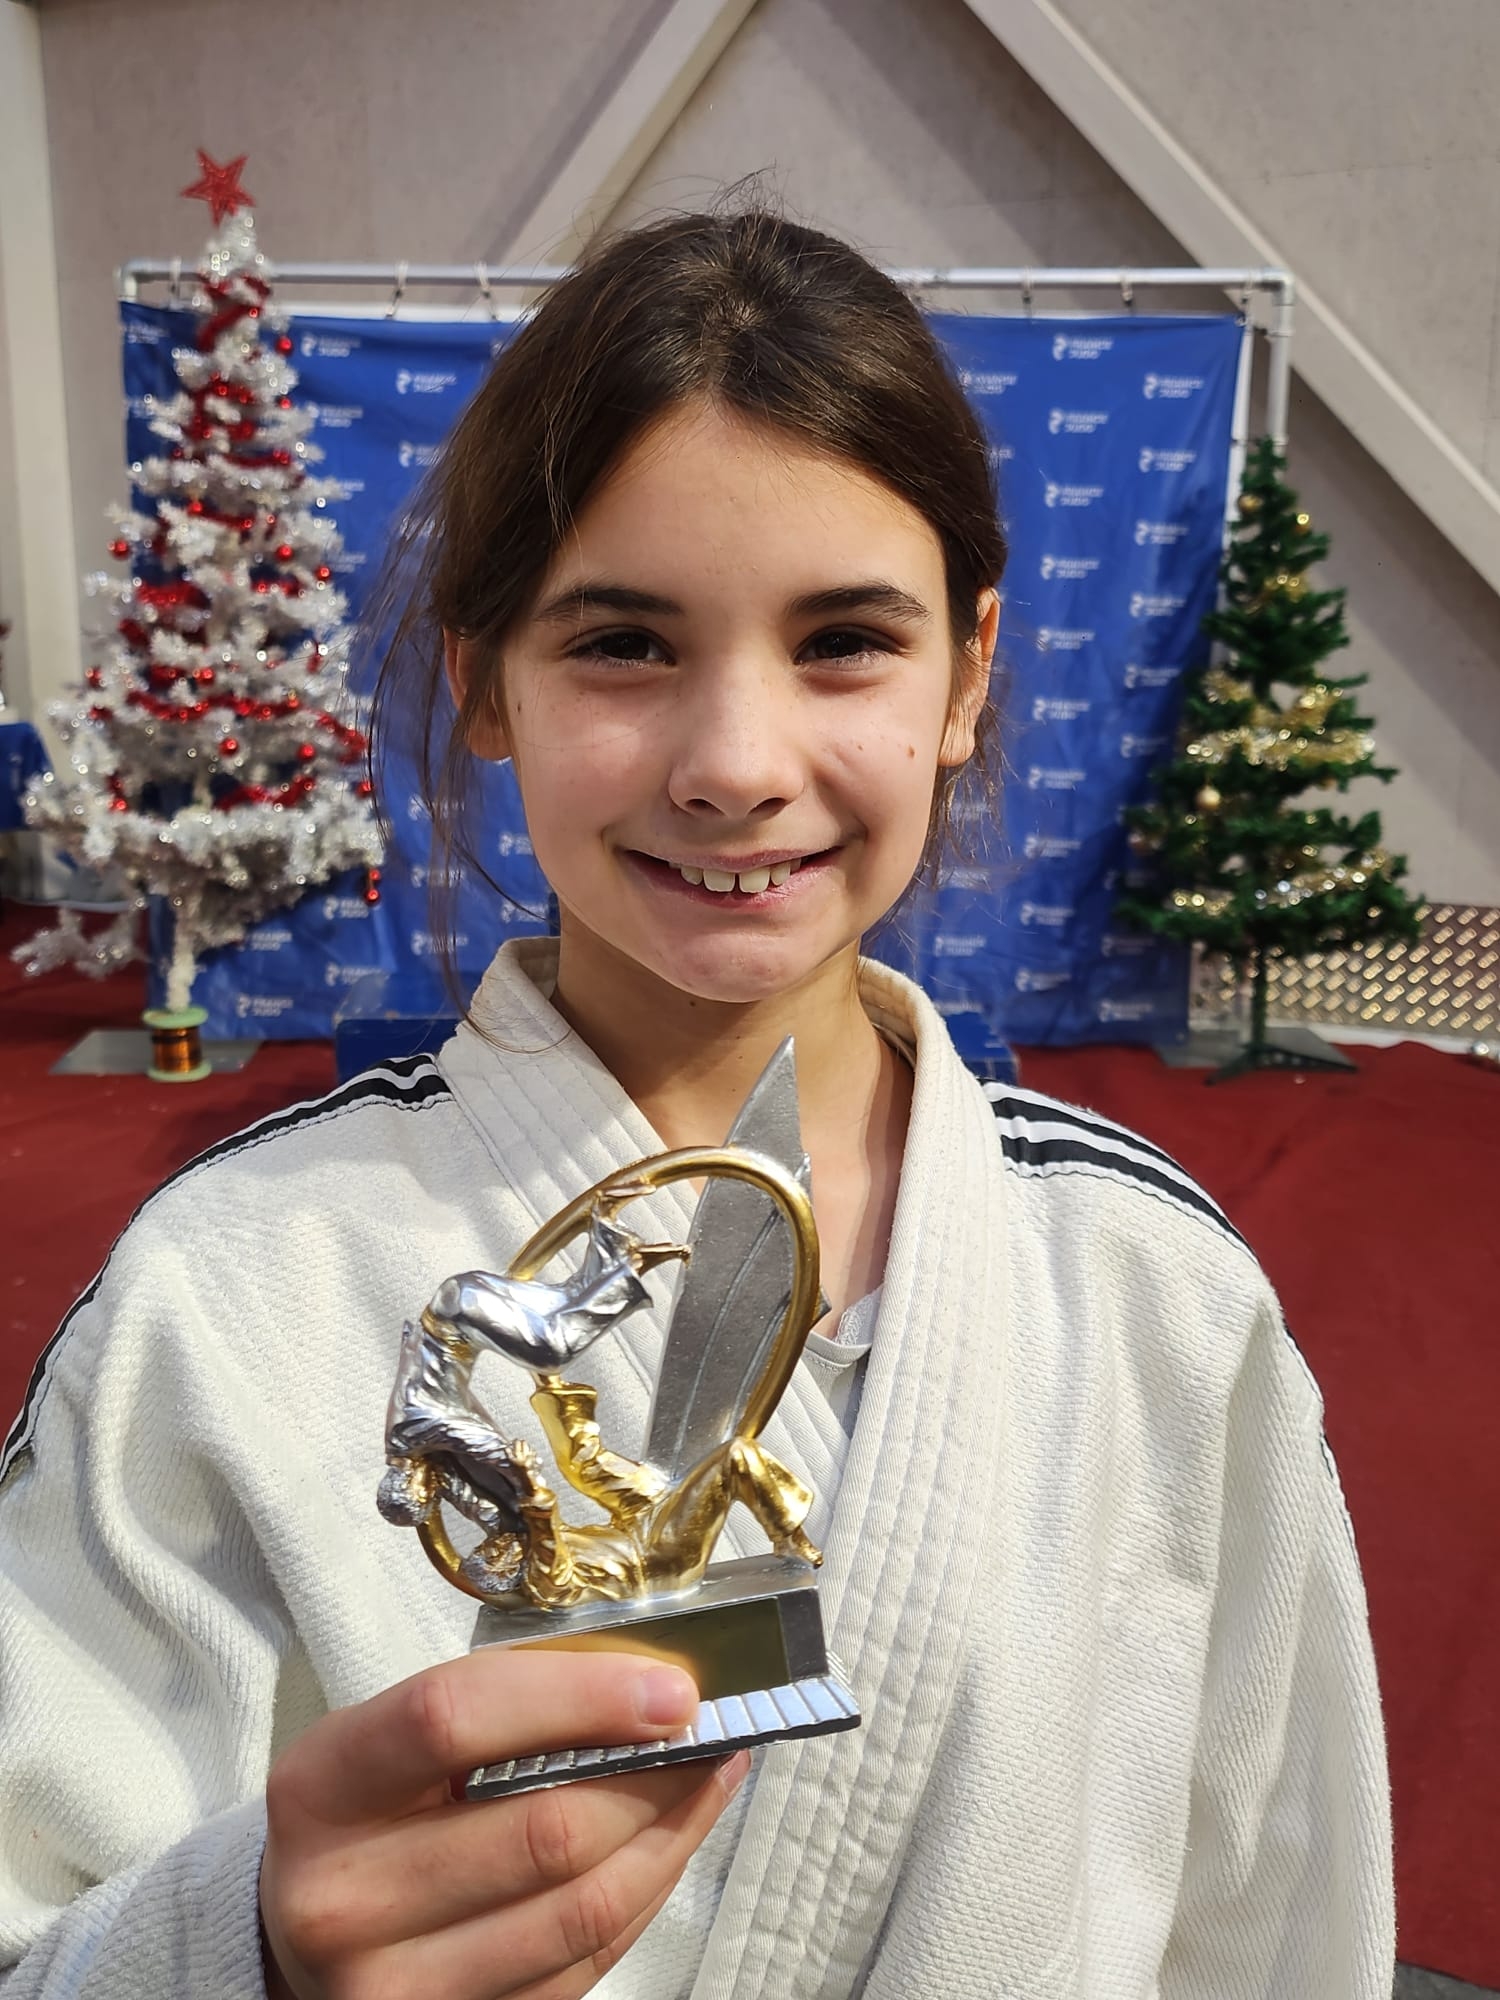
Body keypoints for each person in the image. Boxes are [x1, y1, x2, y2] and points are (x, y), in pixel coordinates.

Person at [0, 209, 1393, 2000]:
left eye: (845, 642)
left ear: (967, 677)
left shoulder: (1153, 1294)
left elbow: (1278, 1924)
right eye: (625, 645)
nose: (737, 766)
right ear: (481, 682)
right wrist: (239, 1951)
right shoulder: (228, 1289)